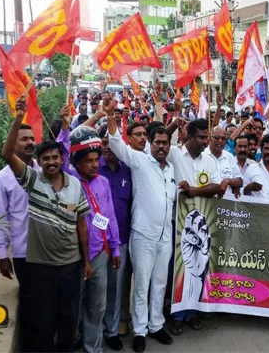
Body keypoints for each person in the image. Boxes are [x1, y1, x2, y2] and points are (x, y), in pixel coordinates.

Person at [1, 96, 92, 352]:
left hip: (70, 267)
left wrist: (85, 261)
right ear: (38, 162)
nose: (51, 162)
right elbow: (7, 153)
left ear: (62, 159)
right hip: (40, 268)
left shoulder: (75, 185)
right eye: (46, 159)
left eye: (55, 157)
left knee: (67, 322)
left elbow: (81, 225)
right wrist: (18, 118)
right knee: (43, 324)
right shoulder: (31, 180)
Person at [105, 95, 176, 352]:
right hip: (143, 234)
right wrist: (111, 116)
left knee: (159, 282)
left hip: (165, 235)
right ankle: (140, 330)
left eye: (164, 142)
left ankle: (157, 325)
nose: (160, 146)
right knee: (142, 283)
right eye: (156, 142)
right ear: (150, 145)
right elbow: (115, 143)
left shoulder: (171, 169)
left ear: (169, 146)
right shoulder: (139, 161)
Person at [69, 126, 121, 353]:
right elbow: (60, 152)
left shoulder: (103, 183)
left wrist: (115, 247)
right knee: (73, 304)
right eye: (88, 160)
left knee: (97, 306)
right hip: (74, 255)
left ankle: (93, 348)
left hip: (99, 254)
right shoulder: (69, 180)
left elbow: (109, 217)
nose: (93, 164)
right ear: (76, 163)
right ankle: (72, 340)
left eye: (95, 159)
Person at [167, 119, 222, 335]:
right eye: (200, 137)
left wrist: (194, 191)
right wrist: (172, 124)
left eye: (205, 137)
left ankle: (192, 313)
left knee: (199, 270)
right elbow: (156, 140)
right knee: (179, 271)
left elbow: (216, 187)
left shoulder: (208, 160)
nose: (204, 141)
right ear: (188, 137)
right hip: (178, 225)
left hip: (201, 227)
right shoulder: (174, 154)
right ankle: (177, 315)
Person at [98, 126, 134, 348]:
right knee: (95, 290)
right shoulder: (93, 169)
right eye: (103, 142)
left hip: (122, 240)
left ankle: (111, 331)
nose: (107, 146)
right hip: (97, 244)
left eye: (112, 142)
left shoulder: (128, 169)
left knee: (116, 288)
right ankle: (90, 330)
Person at [243, 135, 269, 199]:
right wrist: (249, 187)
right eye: (266, 148)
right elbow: (242, 194)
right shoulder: (251, 169)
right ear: (261, 150)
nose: (268, 152)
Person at [206, 126, 243, 196]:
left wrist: (229, 181)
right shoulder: (202, 155)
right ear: (210, 138)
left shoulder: (230, 157)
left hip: (226, 204)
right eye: (216, 138)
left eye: (223, 139)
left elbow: (240, 180)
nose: (220, 141)